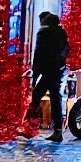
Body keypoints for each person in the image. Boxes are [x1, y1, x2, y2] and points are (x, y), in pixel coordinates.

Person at [29, 11, 69, 142]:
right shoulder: (61, 32)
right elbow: (66, 49)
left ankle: (28, 125)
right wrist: (60, 64)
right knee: (55, 98)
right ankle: (57, 130)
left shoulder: (43, 33)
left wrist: (35, 75)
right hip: (57, 70)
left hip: (47, 70)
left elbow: (38, 53)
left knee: (36, 96)